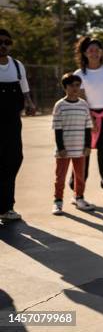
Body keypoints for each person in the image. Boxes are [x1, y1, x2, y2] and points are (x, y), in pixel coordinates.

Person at [73, 37, 103, 201]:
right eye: (90, 50)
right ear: (85, 53)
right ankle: (77, 191)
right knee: (83, 155)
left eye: (97, 50)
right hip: (85, 117)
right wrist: (91, 120)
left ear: (101, 52)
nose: (94, 53)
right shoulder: (79, 74)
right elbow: (81, 98)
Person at [0, 28, 35, 222]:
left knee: (13, 159)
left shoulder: (16, 64)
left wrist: (29, 103)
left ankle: (6, 207)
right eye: (0, 42)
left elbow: (24, 90)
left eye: (7, 42)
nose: (3, 45)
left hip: (13, 121)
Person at [52, 73, 94, 214]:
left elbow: (88, 127)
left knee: (80, 176)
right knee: (60, 178)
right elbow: (57, 128)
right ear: (65, 87)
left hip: (80, 149)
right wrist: (61, 148)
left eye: (77, 85)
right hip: (64, 150)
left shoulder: (83, 105)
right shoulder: (60, 105)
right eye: (71, 85)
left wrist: (88, 146)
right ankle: (58, 202)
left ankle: (79, 198)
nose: (75, 88)